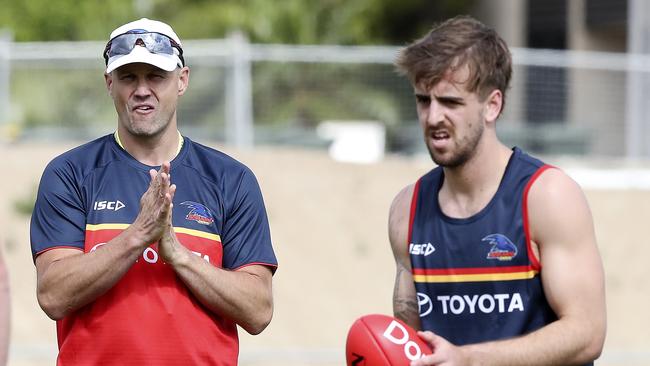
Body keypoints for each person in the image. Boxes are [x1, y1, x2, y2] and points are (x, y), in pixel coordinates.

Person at [30, 18, 277, 365]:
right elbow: (53, 294)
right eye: (129, 77)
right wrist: (138, 235)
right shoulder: (70, 174)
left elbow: (258, 310)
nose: (142, 89)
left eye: (156, 76)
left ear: (182, 80)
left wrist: (176, 253)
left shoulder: (230, 179)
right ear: (109, 83)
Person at [389, 16, 606, 366]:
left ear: (493, 105)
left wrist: (470, 359)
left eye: (450, 102)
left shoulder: (546, 196)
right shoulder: (407, 209)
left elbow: (587, 333)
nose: (433, 117)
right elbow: (412, 341)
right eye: (423, 100)